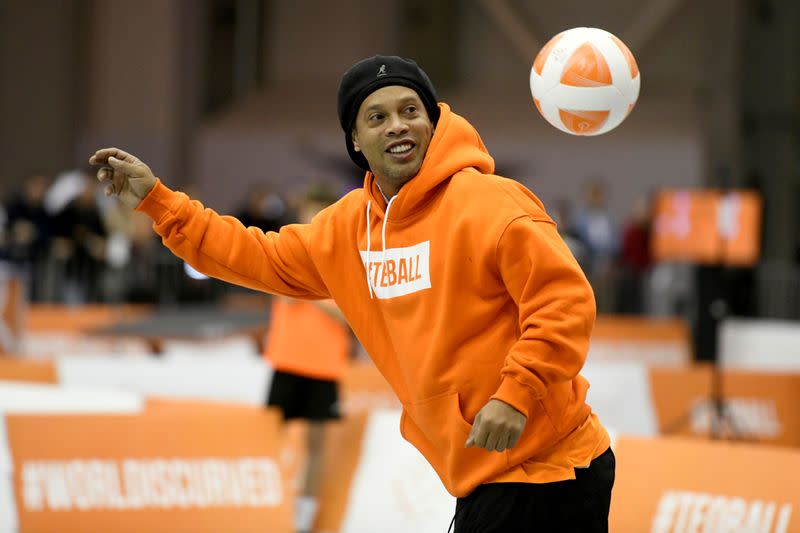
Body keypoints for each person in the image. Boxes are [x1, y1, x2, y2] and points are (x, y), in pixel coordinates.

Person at [90, 55, 613, 532]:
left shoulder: (491, 202)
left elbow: (564, 302)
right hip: (486, 473)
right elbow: (255, 255)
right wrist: (160, 204)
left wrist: (516, 394)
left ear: (433, 123)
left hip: (550, 468)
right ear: (356, 142)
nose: (398, 125)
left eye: (410, 110)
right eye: (377, 117)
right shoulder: (347, 230)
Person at [262, 185, 351, 533]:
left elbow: (351, 316)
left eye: (318, 210)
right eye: (306, 210)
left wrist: (309, 296)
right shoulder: (288, 248)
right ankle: (270, 505)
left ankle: (304, 515)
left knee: (317, 443)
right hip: (286, 360)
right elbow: (281, 295)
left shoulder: (344, 258)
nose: (310, 218)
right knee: (271, 437)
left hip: (325, 364)